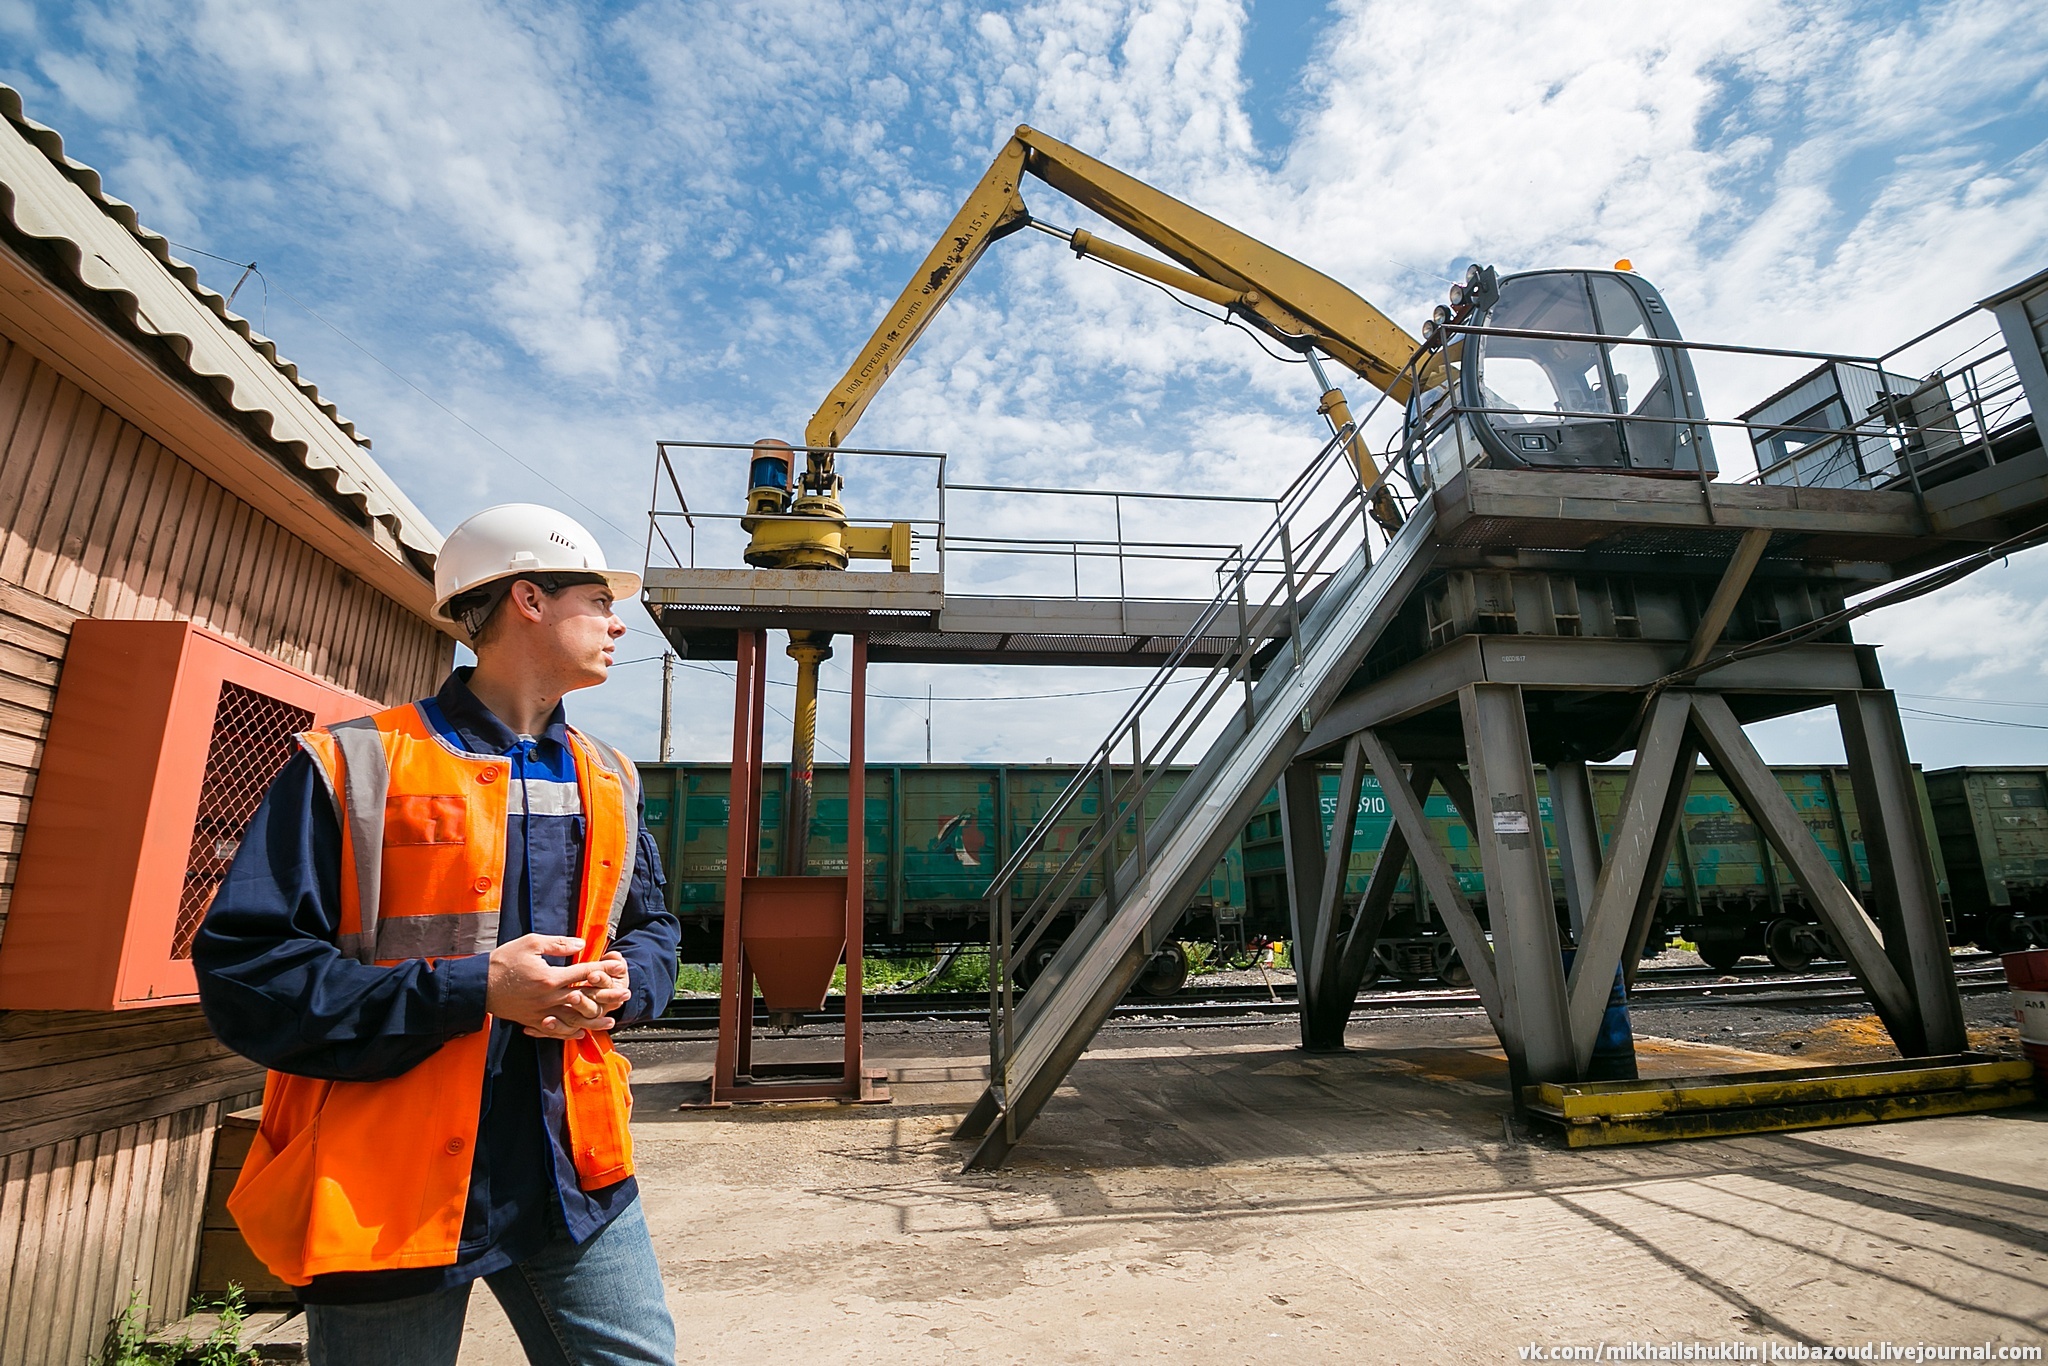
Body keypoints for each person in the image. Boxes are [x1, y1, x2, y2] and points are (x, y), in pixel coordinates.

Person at [194, 503, 682, 1366]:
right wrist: (476, 988)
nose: (617, 624)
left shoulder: (611, 776)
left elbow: (652, 929)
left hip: (571, 1162)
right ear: (529, 599)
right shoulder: (350, 764)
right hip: (388, 1182)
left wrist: (626, 983)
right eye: (600, 601)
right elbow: (250, 975)